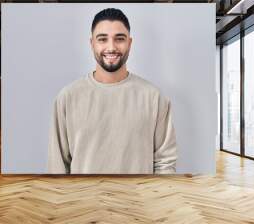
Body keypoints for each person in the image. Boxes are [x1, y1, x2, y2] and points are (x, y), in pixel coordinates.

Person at [48, 8, 177, 174]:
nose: (111, 47)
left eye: (119, 39)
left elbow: (165, 163)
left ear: (129, 43)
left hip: (139, 199)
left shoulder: (154, 97)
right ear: (92, 43)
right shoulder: (67, 97)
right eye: (102, 39)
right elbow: (57, 167)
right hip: (83, 199)